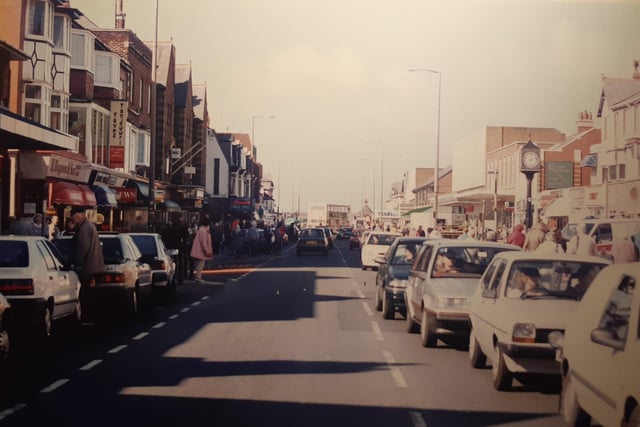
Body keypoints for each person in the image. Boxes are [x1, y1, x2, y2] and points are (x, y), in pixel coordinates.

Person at [70, 207, 105, 289]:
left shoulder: (84, 228)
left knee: (85, 293)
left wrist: (76, 262)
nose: (73, 220)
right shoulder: (89, 225)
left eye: (73, 217)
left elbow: (83, 247)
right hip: (94, 267)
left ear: (78, 215)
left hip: (87, 268)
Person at [190, 217, 213, 283]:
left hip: (199, 249)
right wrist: (206, 250)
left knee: (200, 264)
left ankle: (198, 277)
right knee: (201, 264)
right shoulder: (203, 230)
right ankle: (198, 277)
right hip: (201, 250)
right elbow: (203, 242)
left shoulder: (202, 229)